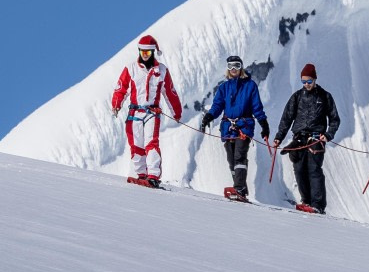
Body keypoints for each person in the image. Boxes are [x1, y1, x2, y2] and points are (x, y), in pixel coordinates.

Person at [111, 35, 182, 187]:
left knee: (151, 142)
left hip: (152, 113)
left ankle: (153, 175)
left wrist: (176, 112)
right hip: (134, 112)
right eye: (142, 52)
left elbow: (170, 92)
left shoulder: (161, 70)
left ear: (153, 53)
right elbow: (121, 87)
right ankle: (140, 173)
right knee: (136, 143)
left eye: (148, 53)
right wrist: (116, 104)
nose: (144, 55)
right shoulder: (131, 69)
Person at [199, 54, 271, 202]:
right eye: (231, 66)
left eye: (237, 66)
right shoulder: (224, 88)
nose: (233, 69)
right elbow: (217, 106)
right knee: (231, 160)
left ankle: (238, 188)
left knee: (240, 156)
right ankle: (241, 188)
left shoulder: (250, 86)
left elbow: (257, 107)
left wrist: (264, 124)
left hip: (244, 125)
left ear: (241, 67)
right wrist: (209, 117)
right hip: (227, 127)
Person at [273, 63, 340, 214]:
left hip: (316, 139)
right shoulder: (297, 97)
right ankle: (306, 200)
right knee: (299, 169)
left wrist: (328, 135)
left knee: (314, 170)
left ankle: (318, 205)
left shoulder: (325, 96)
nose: (306, 84)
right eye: (303, 81)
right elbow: (286, 118)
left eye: (309, 81)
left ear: (314, 79)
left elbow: (335, 119)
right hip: (298, 138)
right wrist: (279, 137)